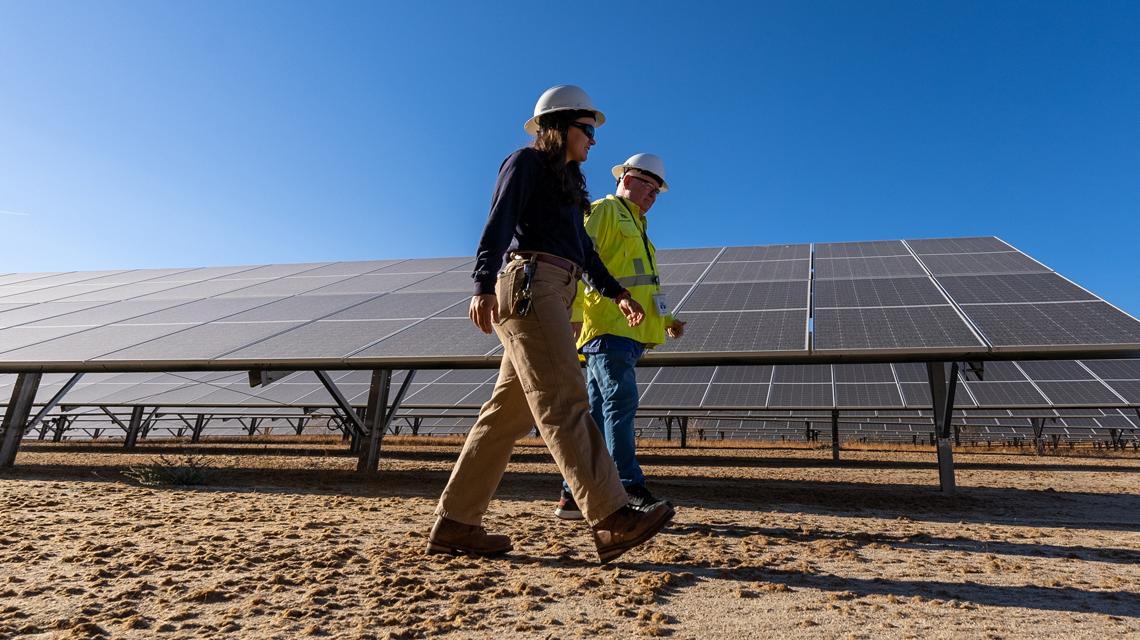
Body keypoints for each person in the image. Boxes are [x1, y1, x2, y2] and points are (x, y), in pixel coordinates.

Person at [427, 85, 675, 564]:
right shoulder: (525, 163)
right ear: (559, 127)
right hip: (530, 284)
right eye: (587, 130)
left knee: (507, 416)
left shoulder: (568, 185)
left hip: (555, 291)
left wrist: (618, 293)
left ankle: (455, 523)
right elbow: (498, 222)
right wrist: (481, 284)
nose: (593, 141)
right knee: (565, 399)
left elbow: (584, 252)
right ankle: (611, 518)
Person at [555, 153, 685, 520]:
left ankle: (571, 495)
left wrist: (667, 320)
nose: (653, 196)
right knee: (620, 401)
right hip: (607, 327)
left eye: (658, 191)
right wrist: (575, 314)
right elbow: (576, 260)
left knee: (599, 415)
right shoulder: (604, 211)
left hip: (630, 332)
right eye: (650, 186)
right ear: (627, 179)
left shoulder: (639, 226)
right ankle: (628, 485)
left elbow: (642, 283)